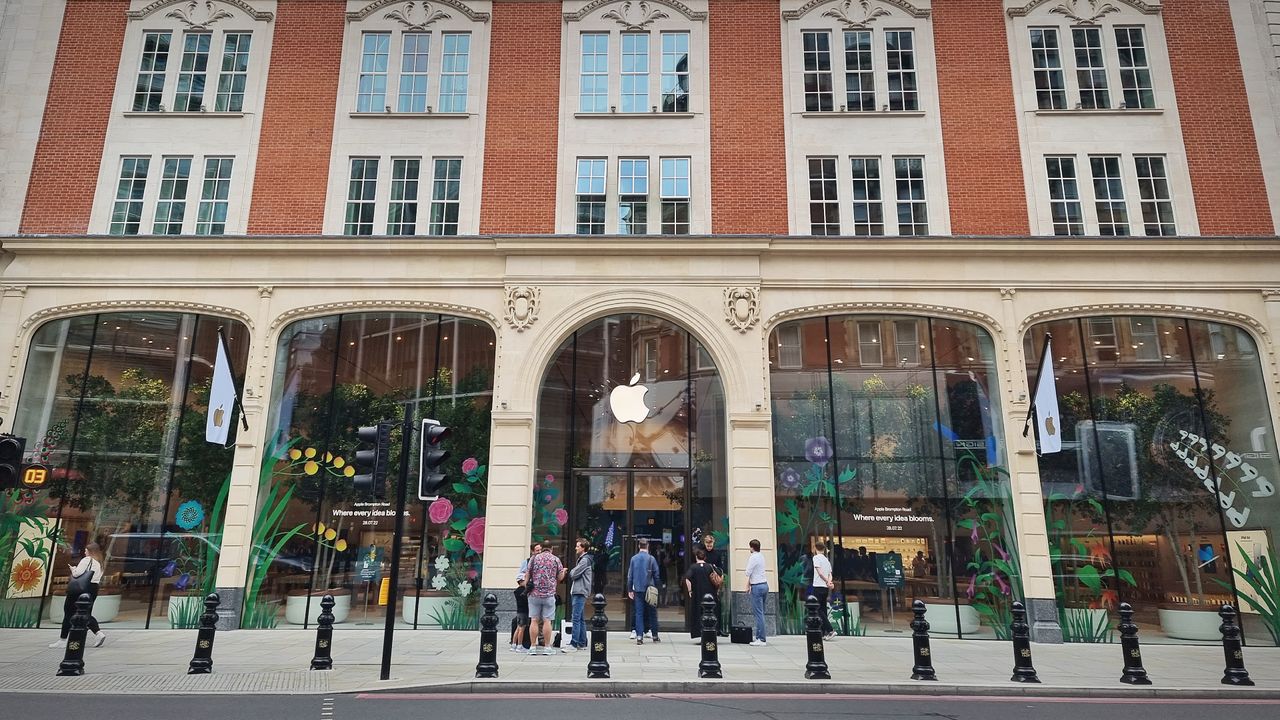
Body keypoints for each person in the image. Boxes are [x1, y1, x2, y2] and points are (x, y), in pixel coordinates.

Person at [51, 542, 105, 648]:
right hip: (93, 589)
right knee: (85, 613)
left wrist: (73, 569)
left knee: (69, 612)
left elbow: (77, 574)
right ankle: (98, 633)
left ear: (90, 551)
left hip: (79, 589)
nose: (84, 552)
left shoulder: (86, 560)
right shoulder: (99, 563)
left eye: (85, 550)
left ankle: (63, 639)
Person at [526, 543, 565, 656]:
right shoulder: (555, 559)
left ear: (541, 549)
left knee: (534, 620)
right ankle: (547, 647)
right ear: (552, 549)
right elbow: (560, 577)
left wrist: (526, 587)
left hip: (534, 594)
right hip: (549, 594)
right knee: (547, 621)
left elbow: (528, 573)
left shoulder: (534, 558)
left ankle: (533, 646)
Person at [627, 538, 661, 645]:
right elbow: (656, 575)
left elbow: (630, 576)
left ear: (639, 546)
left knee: (639, 613)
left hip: (638, 589)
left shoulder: (633, 559)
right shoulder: (651, 559)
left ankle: (639, 636)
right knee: (652, 613)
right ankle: (655, 635)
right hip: (650, 589)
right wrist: (658, 588)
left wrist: (629, 589)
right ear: (648, 546)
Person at [683, 548, 719, 641]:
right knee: (710, 613)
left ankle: (699, 632)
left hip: (698, 594)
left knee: (698, 613)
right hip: (710, 595)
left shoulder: (693, 567)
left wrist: (690, 591)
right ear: (705, 557)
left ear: (696, 557)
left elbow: (687, 579)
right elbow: (718, 577)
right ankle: (711, 632)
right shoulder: (710, 566)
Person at [565, 537, 594, 653]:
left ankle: (574, 643)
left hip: (579, 591)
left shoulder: (584, 560)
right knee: (580, 618)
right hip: (580, 590)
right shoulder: (584, 559)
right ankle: (582, 642)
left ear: (583, 548)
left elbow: (574, 574)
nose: (575, 548)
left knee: (575, 618)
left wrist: (572, 571)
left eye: (578, 546)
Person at [811, 537, 835, 640]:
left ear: (815, 548)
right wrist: (829, 582)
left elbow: (820, 572)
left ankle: (830, 630)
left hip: (818, 586)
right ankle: (824, 633)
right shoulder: (826, 560)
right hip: (825, 588)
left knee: (817, 608)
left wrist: (826, 581)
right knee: (823, 609)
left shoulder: (816, 558)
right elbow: (830, 573)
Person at [745, 538, 768, 646]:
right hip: (764, 585)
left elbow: (747, 571)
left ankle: (761, 638)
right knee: (761, 612)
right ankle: (761, 637)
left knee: (758, 613)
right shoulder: (761, 556)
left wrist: (748, 584)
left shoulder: (753, 557)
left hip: (757, 586)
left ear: (752, 547)